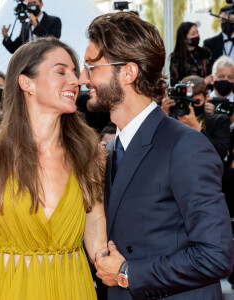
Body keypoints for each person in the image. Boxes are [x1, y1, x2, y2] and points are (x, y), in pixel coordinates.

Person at [79, 12, 233, 300]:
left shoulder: (185, 146)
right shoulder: (110, 152)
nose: (82, 78)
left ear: (128, 72)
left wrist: (128, 273)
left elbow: (216, 255)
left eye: (91, 67)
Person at [0, 37, 107, 300]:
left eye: (74, 73)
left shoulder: (91, 153)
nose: (75, 81)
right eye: (61, 71)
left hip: (73, 288)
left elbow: (96, 234)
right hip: (10, 289)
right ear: (26, 82)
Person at [161, 75, 230, 160]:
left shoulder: (220, 121)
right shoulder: (168, 117)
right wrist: (162, 117)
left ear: (206, 98)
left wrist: (196, 126)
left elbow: (220, 154)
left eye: (196, 101)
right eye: (187, 100)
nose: (191, 106)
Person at [170, 22, 213, 86]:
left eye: (197, 32)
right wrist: (202, 82)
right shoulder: (177, 57)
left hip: (206, 93)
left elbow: (212, 74)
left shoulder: (205, 52)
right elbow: (174, 82)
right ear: (184, 38)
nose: (197, 35)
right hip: (187, 94)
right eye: (193, 34)